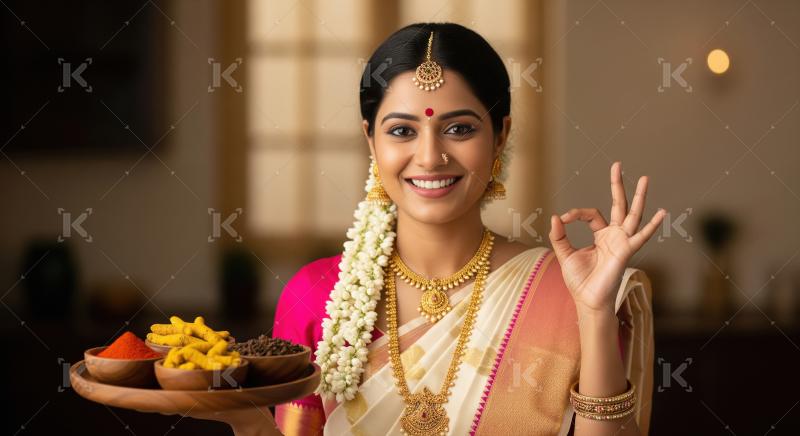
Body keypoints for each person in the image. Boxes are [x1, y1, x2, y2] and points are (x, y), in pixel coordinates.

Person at [200, 22, 664, 436]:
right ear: (370, 139)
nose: (429, 157)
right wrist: (245, 417)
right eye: (402, 131)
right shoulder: (315, 295)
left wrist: (595, 313)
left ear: (500, 135)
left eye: (459, 129)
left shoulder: (563, 290)